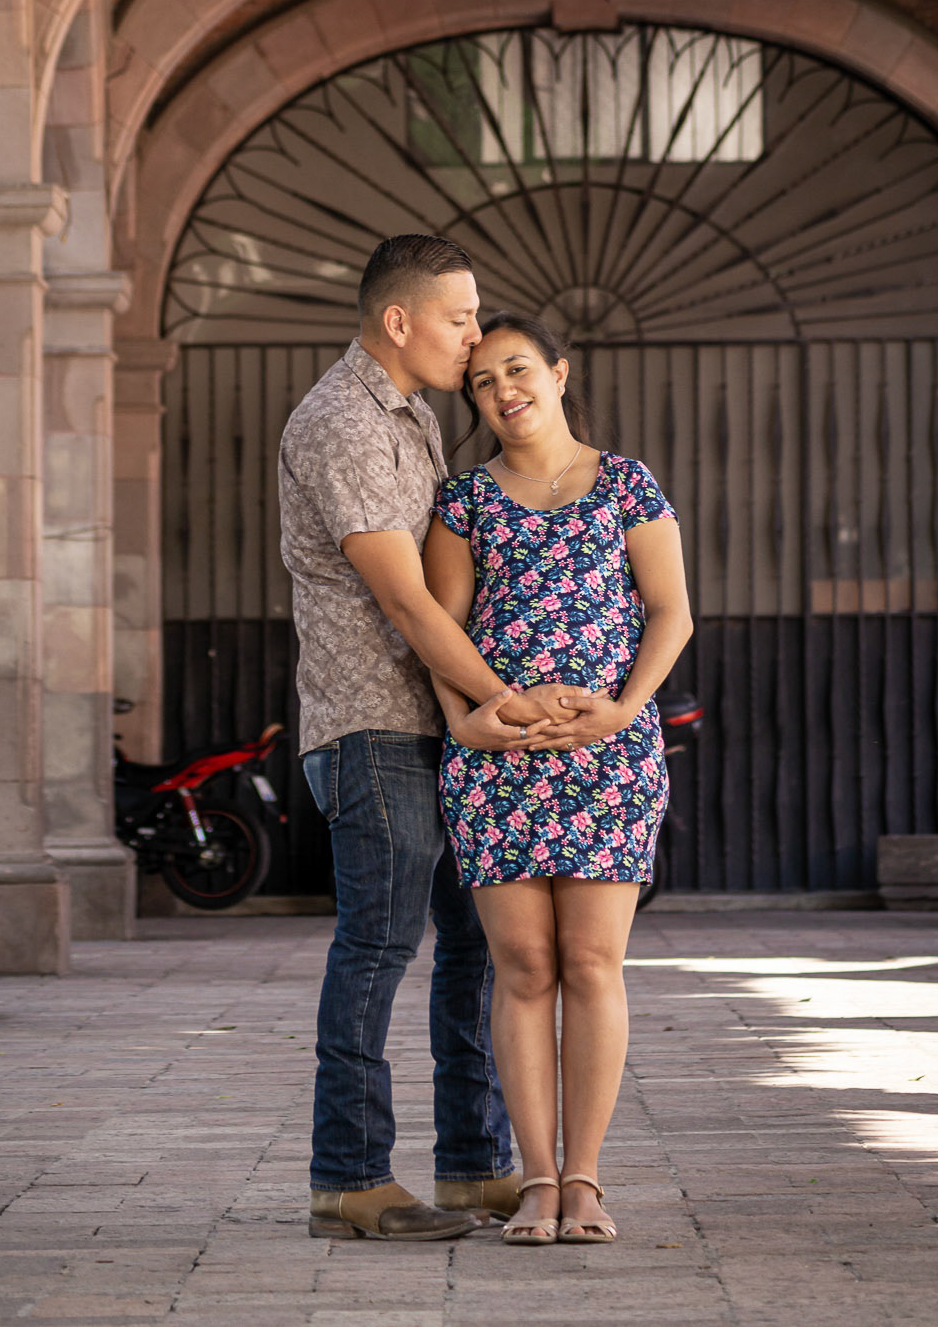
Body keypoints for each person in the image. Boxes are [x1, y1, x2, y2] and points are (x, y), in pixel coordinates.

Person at [279, 237, 585, 1242]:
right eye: (461, 320)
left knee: (474, 948)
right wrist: (509, 700)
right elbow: (407, 601)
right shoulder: (342, 420)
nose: (474, 338)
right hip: (374, 725)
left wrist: (479, 715)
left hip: (445, 726)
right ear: (400, 320)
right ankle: (350, 1177)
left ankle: (472, 1166)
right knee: (377, 944)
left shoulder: (411, 415)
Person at [425, 312, 692, 1246]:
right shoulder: (462, 500)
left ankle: (584, 1179)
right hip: (498, 766)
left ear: (559, 373)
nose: (503, 389)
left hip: (609, 758)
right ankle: (534, 1180)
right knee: (524, 966)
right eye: (483, 380)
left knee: (590, 962)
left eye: (518, 368)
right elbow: (442, 633)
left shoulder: (624, 484)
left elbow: (670, 613)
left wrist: (622, 710)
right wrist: (466, 720)